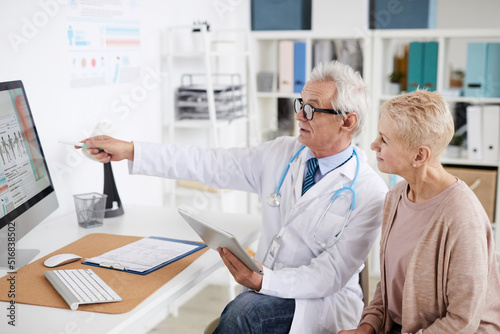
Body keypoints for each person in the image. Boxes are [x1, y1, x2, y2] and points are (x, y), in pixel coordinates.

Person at [81, 61, 388, 333]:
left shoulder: (370, 191)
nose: (299, 117)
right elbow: (208, 163)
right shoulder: (282, 153)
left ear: (347, 122)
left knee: (244, 313)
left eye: (310, 109)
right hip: (267, 288)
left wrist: (264, 282)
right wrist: (132, 150)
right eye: (299, 104)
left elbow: (331, 275)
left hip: (320, 303)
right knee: (244, 312)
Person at [339, 90, 500, 334]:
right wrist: (368, 325)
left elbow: (462, 322)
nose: (373, 145)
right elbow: (389, 281)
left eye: (384, 139)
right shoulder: (395, 197)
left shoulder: (463, 218)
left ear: (419, 155)